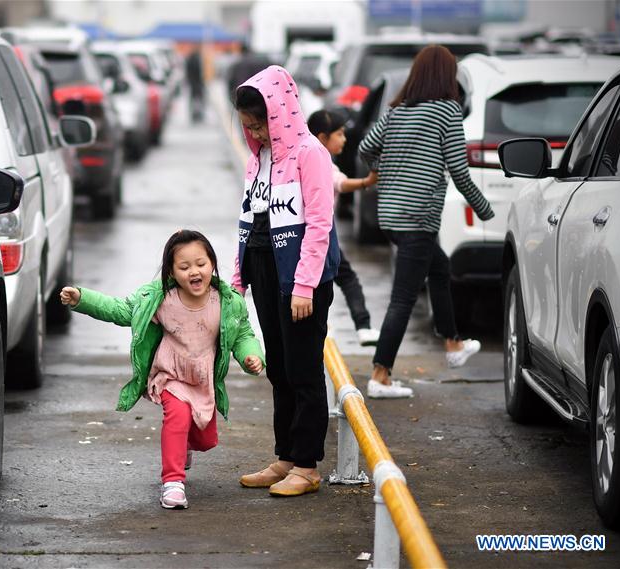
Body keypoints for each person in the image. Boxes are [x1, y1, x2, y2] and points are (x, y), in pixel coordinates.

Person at [59, 229, 265, 510]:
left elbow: (243, 335)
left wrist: (251, 356)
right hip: (170, 376)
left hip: (202, 381)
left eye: (201, 264)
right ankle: (173, 482)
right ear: (172, 271)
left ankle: (185, 447)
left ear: (212, 264)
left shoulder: (226, 302)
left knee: (206, 439)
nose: (194, 271)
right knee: (177, 417)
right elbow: (121, 310)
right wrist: (82, 298)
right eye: (184, 266)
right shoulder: (161, 300)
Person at [357, 45, 495, 399]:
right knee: (402, 300)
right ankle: (380, 375)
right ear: (445, 77)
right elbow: (460, 171)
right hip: (418, 218)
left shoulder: (397, 111)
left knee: (440, 267)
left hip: (391, 216)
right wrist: (486, 211)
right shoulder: (447, 111)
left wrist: (380, 170)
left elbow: (365, 147)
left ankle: (453, 345)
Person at [231, 65, 339, 497]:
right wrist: (239, 279)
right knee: (278, 367)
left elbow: (319, 224)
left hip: (299, 279)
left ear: (279, 112)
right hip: (263, 268)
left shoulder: (310, 153)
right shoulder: (259, 159)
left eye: (260, 123)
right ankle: (285, 457)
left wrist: (304, 285)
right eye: (248, 126)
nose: (255, 132)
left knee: (303, 369)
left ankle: (308, 465)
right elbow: (248, 219)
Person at [307, 108, 380, 347]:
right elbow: (340, 183)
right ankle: (363, 326)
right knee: (344, 279)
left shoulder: (310, 158)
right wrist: (367, 182)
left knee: (335, 279)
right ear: (322, 138)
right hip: (322, 236)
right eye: (339, 134)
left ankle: (359, 326)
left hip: (316, 236)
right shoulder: (319, 161)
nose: (344, 139)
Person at [185, 48, 205, 123]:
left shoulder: (189, 60)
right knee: (199, 98)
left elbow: (187, 72)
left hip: (192, 82)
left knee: (193, 98)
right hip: (197, 82)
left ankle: (193, 113)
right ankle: (198, 113)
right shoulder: (197, 60)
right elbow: (199, 73)